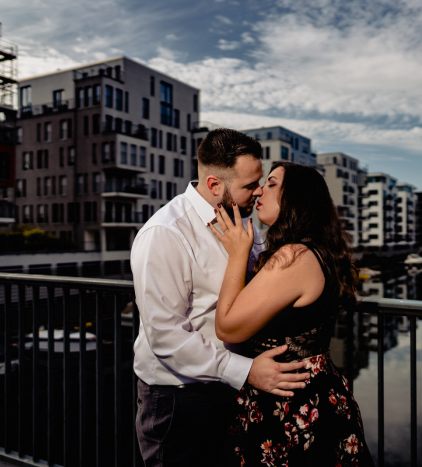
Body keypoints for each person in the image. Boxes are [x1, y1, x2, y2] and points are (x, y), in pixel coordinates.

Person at [132, 130, 310, 467]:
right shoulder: (165, 233)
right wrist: (246, 371)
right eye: (250, 185)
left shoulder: (243, 221)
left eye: (261, 181)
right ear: (214, 184)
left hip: (231, 391)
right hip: (180, 400)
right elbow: (166, 337)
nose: (258, 192)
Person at [209, 161, 375, 466]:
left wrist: (237, 254)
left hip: (290, 403)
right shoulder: (319, 251)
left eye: (271, 184)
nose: (259, 190)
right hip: (318, 394)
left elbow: (228, 328)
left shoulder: (292, 256)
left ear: (296, 198)